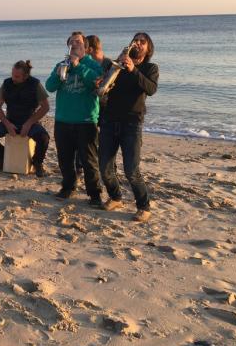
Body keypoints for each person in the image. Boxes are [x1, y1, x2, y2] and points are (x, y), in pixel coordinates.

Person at [98, 32, 159, 222]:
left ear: (148, 48)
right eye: (135, 40)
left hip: (132, 123)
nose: (138, 43)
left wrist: (133, 69)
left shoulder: (150, 68)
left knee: (131, 170)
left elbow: (151, 89)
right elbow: (105, 88)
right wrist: (103, 80)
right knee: (104, 167)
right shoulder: (118, 65)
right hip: (109, 120)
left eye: (142, 42)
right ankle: (115, 197)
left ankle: (144, 206)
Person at [45, 31, 103, 206]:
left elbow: (97, 83)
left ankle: (94, 194)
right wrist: (58, 74)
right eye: (71, 42)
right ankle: (68, 186)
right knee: (65, 158)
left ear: (86, 46)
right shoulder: (62, 64)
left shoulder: (93, 64)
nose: (74, 44)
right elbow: (49, 86)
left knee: (89, 160)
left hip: (86, 120)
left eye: (78, 41)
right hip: (63, 119)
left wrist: (78, 66)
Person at [0, 60, 50, 177]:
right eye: (12, 75)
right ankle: (4, 158)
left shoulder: (35, 84)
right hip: (10, 121)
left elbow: (45, 107)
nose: (13, 78)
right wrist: (7, 124)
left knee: (44, 138)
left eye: (17, 76)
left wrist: (29, 123)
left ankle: (37, 163)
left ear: (26, 76)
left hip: (30, 123)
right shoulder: (7, 83)